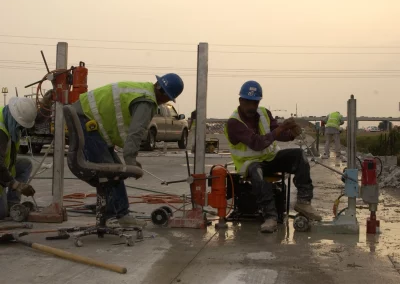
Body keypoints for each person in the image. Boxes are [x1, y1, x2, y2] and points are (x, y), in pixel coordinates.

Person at [61, 73, 185, 228]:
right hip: (86, 121)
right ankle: (117, 214)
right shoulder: (147, 102)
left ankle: (113, 210)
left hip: (87, 119)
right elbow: (136, 132)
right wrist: (131, 162)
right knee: (111, 172)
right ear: (165, 94)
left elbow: (115, 119)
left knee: (114, 171)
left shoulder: (142, 90)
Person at [225, 81, 322, 233]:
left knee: (299, 155)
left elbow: (277, 133)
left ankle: (304, 201)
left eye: (255, 102)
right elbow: (257, 143)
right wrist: (282, 128)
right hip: (249, 163)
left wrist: (290, 133)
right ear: (240, 101)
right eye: (248, 102)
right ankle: (270, 215)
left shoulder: (264, 113)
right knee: (257, 171)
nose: (252, 106)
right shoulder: (234, 122)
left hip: (271, 158)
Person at [0, 97, 37, 218]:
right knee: (2, 213)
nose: (20, 129)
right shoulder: (1, 132)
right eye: (20, 125)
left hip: (2, 173)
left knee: (25, 164)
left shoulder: (7, 120)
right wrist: (16, 185)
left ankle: (12, 203)